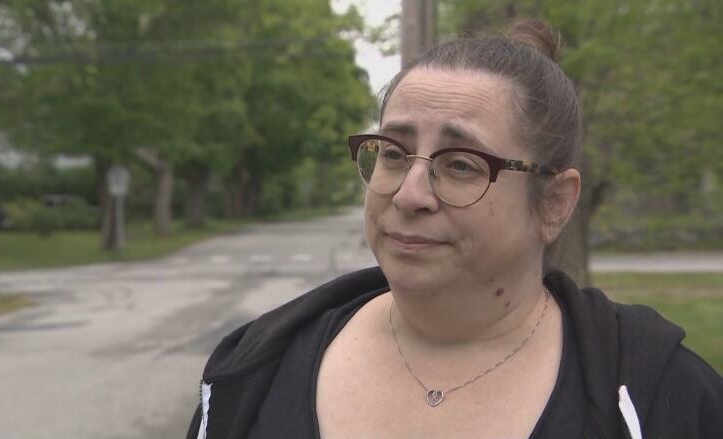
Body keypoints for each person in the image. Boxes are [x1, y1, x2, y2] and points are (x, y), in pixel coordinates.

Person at [186, 19, 723, 439]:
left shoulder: (662, 398)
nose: (410, 194)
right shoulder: (254, 369)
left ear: (555, 203)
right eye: (393, 154)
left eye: (461, 163)